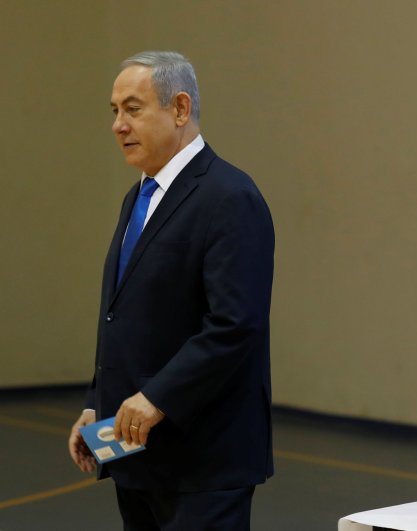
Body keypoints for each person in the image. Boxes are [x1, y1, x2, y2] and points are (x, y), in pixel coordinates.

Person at [67, 51, 274, 530]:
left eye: (133, 109)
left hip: (203, 461)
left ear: (180, 109)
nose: (119, 124)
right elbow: (122, 311)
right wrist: (96, 404)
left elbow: (235, 325)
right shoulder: (138, 196)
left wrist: (156, 397)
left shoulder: (229, 196)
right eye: (114, 111)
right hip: (137, 455)